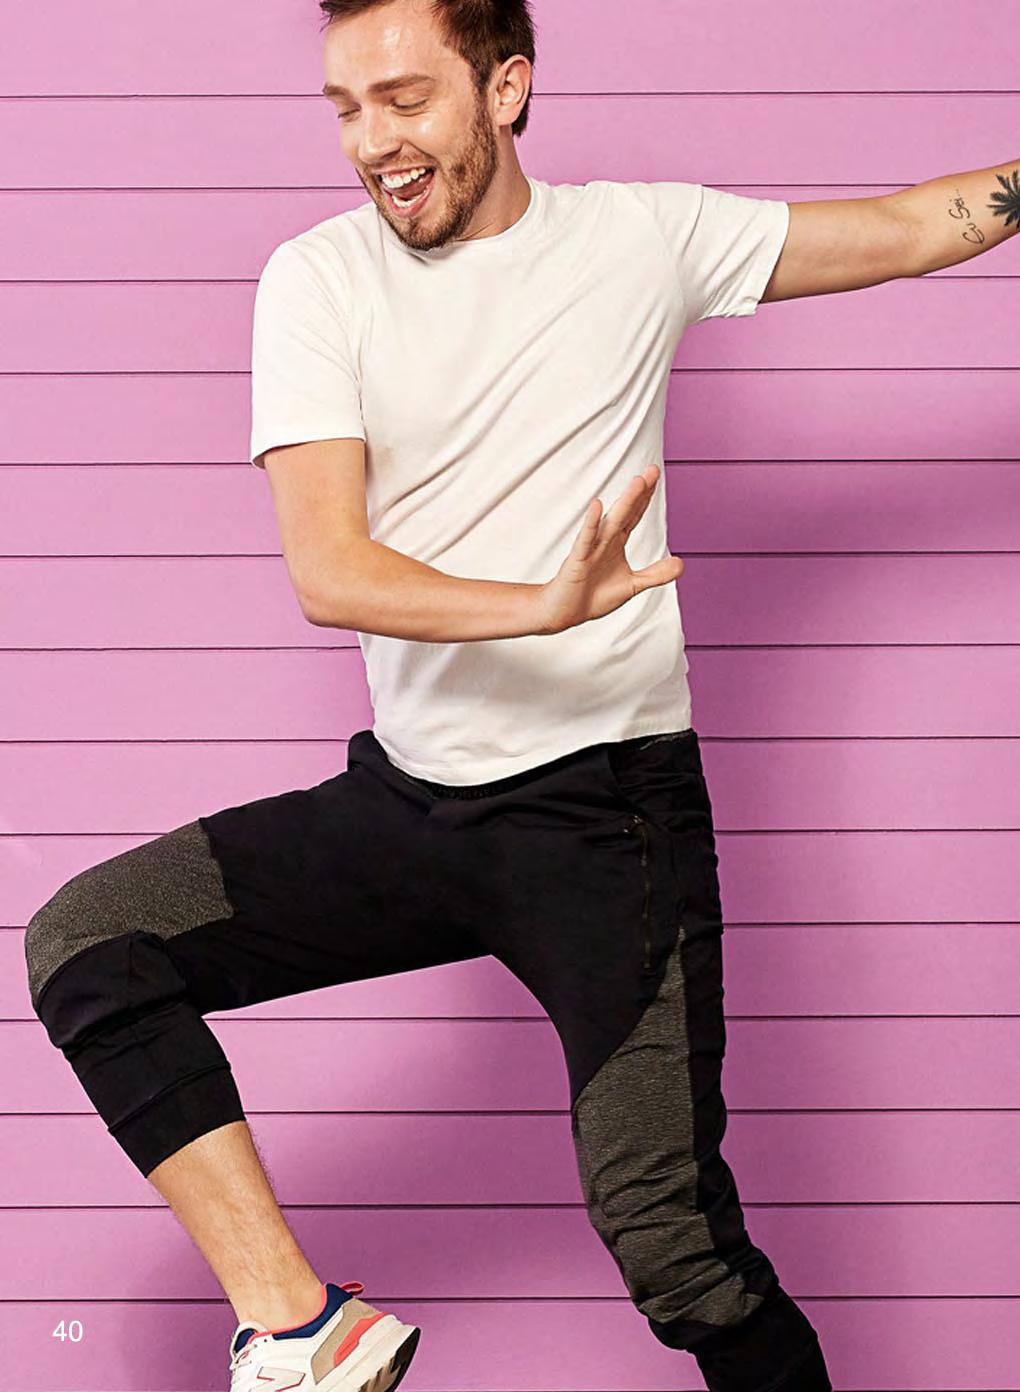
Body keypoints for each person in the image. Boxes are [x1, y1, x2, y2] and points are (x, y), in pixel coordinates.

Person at [32, 2, 1019, 1390]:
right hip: (411, 807)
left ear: (505, 88)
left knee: (676, 1250)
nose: (373, 141)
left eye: (405, 99)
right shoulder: (318, 280)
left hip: (609, 827)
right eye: (345, 108)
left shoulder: (641, 239)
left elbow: (916, 226)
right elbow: (330, 569)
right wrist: (538, 606)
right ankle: (302, 1330)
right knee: (92, 943)